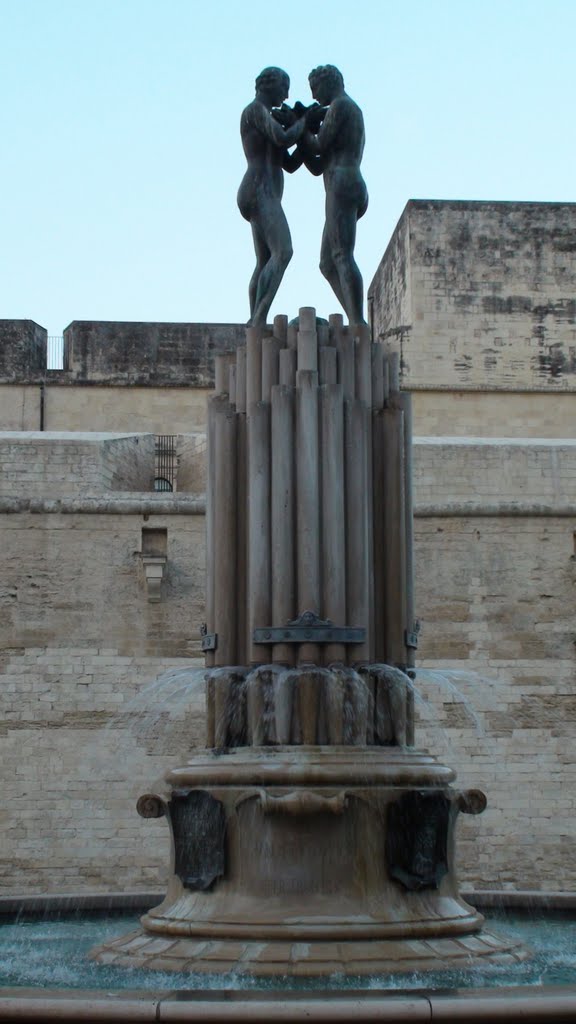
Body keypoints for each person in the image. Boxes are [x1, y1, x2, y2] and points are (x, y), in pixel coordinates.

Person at [299, 65, 368, 325]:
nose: (316, 97)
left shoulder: (341, 106)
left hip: (343, 183)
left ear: (329, 83)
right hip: (340, 183)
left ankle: (358, 323)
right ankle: (354, 317)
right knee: (327, 263)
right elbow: (317, 165)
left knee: (342, 255)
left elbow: (317, 144)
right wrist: (301, 136)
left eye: (316, 90)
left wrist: (303, 126)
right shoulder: (343, 109)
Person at [237, 68, 305, 326]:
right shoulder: (255, 111)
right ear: (270, 85)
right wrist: (302, 122)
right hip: (258, 189)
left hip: (265, 192)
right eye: (284, 87)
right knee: (283, 251)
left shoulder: (267, 117)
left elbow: (289, 163)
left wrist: (304, 136)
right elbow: (282, 137)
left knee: (264, 261)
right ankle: (258, 317)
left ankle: (256, 317)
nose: (287, 95)